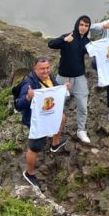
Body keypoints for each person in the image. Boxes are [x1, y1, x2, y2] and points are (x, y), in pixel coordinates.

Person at [15, 57, 70, 190]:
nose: (45, 71)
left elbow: (55, 88)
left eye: (47, 68)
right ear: (35, 69)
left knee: (62, 118)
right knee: (35, 147)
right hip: (36, 120)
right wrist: (28, 97)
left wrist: (64, 88)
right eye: (42, 69)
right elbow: (19, 105)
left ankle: (55, 143)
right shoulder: (28, 83)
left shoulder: (49, 77)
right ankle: (29, 173)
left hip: (49, 113)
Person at [48, 15, 92, 143]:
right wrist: (64, 40)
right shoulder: (68, 36)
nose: (83, 28)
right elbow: (51, 44)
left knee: (83, 106)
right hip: (63, 78)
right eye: (81, 24)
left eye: (86, 26)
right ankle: (53, 129)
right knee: (57, 105)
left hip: (79, 78)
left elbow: (96, 52)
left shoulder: (86, 42)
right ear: (77, 24)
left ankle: (81, 130)